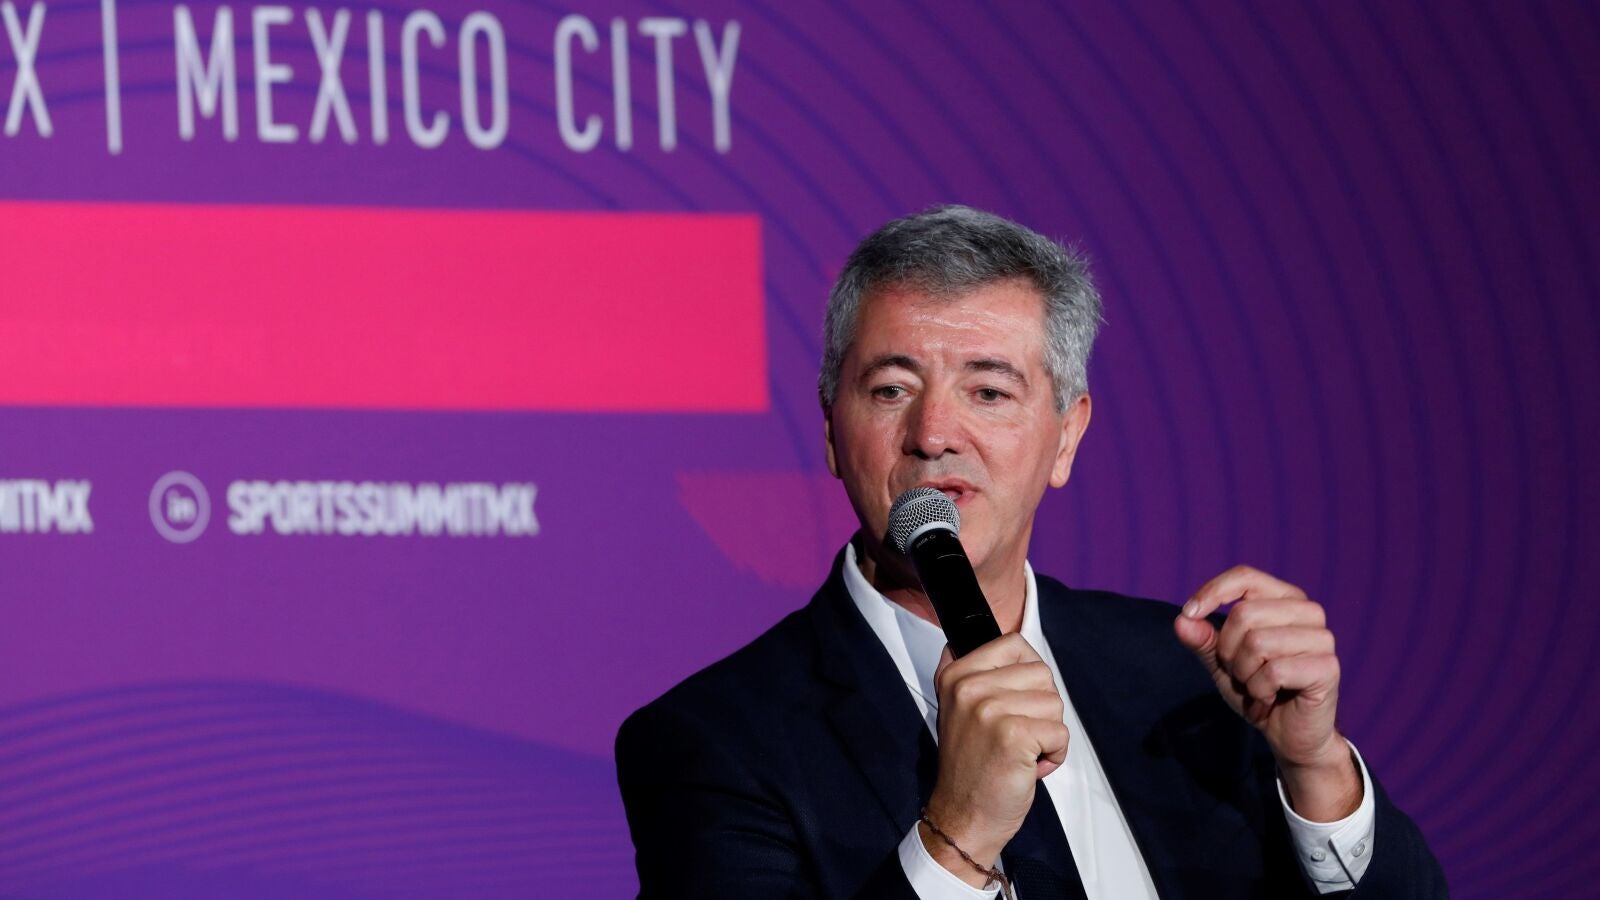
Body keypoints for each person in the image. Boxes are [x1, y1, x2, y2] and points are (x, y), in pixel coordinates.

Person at [616, 206, 1446, 898]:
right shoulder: (713, 743)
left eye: (988, 391)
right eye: (892, 389)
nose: (935, 434)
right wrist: (957, 838)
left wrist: (1315, 769)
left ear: (1066, 436)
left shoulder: (1187, 679)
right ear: (832, 428)